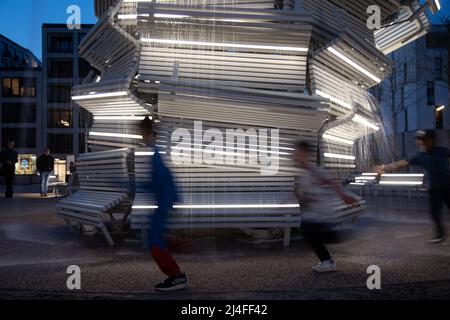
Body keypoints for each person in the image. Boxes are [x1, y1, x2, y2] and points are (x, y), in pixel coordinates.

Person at [294, 141, 358, 273]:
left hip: (320, 212)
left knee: (310, 234)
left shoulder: (313, 170)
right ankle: (328, 257)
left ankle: (333, 247)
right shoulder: (305, 173)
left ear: (305, 154)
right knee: (309, 234)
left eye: (298, 153)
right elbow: (304, 193)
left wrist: (343, 196)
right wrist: (301, 197)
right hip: (313, 212)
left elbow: (331, 183)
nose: (295, 156)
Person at [376, 130, 450, 244]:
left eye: (424, 139)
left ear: (432, 140)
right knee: (435, 212)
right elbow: (402, 163)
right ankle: (440, 235)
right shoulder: (419, 155)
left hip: (448, 185)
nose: (421, 142)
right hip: (434, 188)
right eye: (419, 140)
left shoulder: (442, 151)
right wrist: (385, 168)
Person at [140, 116, 187, 291]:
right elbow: (161, 181)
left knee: (154, 241)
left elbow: (164, 181)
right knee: (155, 240)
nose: (141, 137)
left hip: (163, 203)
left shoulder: (155, 154)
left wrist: (167, 204)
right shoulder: (155, 153)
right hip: (164, 202)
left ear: (148, 133)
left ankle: (177, 276)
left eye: (142, 133)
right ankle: (175, 275)